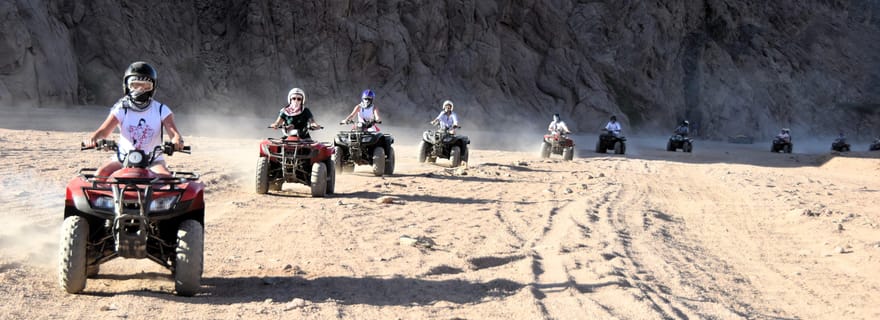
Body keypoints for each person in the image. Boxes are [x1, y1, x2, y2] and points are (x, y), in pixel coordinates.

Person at [88, 61, 184, 177]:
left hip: (153, 160)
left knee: (166, 178)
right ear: (127, 86)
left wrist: (176, 142)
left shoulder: (161, 110)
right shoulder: (121, 108)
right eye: (135, 85)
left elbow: (174, 134)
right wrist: (94, 138)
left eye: (145, 86)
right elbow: (104, 131)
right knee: (100, 174)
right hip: (123, 158)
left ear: (153, 88)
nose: (140, 90)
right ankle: (104, 196)